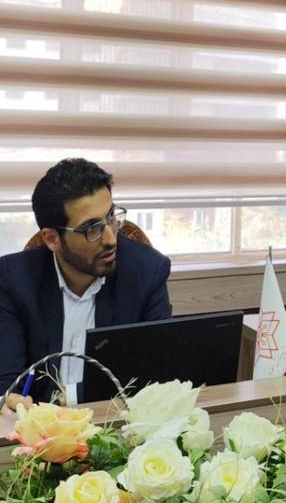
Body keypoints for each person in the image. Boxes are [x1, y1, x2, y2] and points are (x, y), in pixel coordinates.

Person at [0, 158, 172, 412]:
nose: (111, 239)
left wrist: (69, 398)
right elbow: (7, 380)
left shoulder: (147, 272)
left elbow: (156, 374)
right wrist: (9, 401)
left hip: (115, 422)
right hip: (37, 426)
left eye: (111, 217)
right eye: (92, 228)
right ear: (52, 239)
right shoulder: (14, 279)